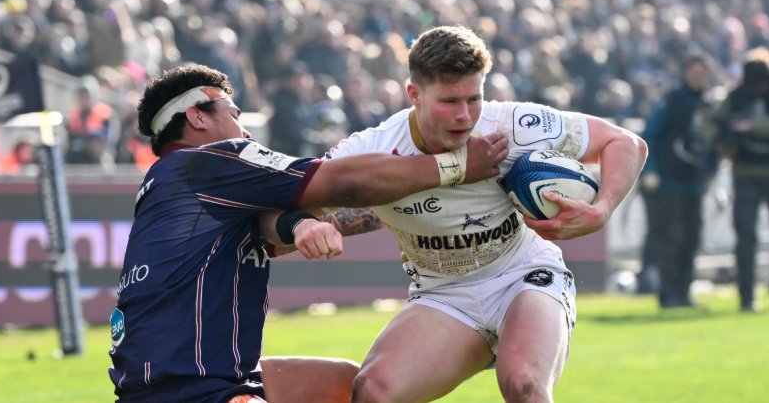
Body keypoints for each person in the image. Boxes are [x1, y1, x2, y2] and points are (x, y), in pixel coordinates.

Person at [107, 63, 509, 402]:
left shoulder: (174, 182)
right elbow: (341, 181)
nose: (245, 132)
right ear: (198, 117)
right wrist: (456, 168)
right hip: (194, 388)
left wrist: (301, 223)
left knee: (345, 385)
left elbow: (268, 226)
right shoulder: (212, 161)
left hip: (166, 379)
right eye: (234, 114)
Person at [285, 26, 646, 402]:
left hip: (524, 276)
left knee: (524, 384)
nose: (464, 116)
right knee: (373, 391)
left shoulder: (513, 125)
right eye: (449, 101)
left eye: (474, 99)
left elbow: (625, 142)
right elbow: (291, 203)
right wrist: (303, 224)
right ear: (414, 94)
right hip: (443, 294)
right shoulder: (371, 147)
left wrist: (602, 209)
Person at [710, 47, 769, 311]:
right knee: (745, 236)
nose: (756, 88)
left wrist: (749, 126)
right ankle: (747, 297)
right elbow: (717, 118)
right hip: (745, 172)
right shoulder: (736, 94)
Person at [640, 54, 717, 308]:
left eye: (701, 73)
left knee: (692, 238)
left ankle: (684, 291)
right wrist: (650, 170)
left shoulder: (708, 105)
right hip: (669, 182)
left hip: (694, 183)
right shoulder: (671, 102)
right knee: (670, 238)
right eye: (694, 72)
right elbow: (650, 135)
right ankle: (669, 293)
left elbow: (712, 143)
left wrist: (711, 170)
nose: (697, 78)